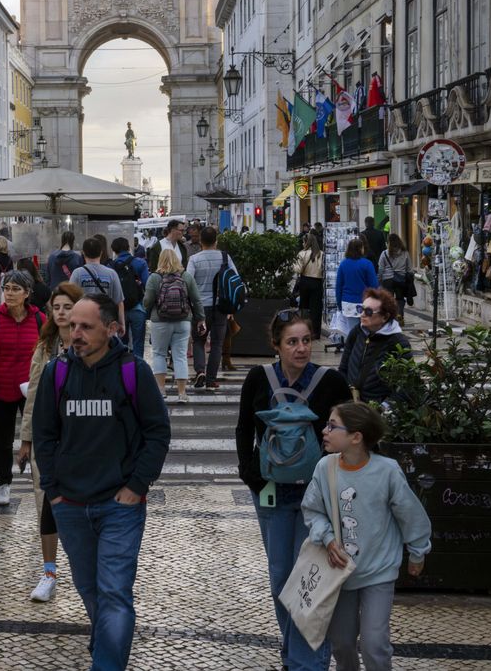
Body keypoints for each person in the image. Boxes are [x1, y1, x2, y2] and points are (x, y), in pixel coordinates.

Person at [33, 295, 171, 671]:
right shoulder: (56, 372)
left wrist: (137, 487)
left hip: (119, 505)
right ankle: (106, 640)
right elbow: (43, 434)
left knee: (113, 593)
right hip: (71, 506)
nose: (75, 334)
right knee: (90, 589)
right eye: (72, 325)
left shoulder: (133, 371)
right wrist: (54, 491)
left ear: (111, 329)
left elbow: (158, 432)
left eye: (85, 327)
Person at [235, 310, 352, 671]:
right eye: (292, 342)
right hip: (270, 493)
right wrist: (251, 476)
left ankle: (308, 663)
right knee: (280, 579)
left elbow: (351, 430)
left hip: (316, 496)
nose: (301, 348)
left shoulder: (331, 382)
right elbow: (243, 429)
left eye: (306, 340)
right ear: (276, 345)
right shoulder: (258, 378)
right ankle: (293, 653)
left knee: (310, 582)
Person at [304, 401, 432, 671]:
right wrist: (327, 539)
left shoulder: (387, 471)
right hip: (339, 574)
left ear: (356, 437)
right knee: (342, 643)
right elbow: (313, 511)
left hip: (379, 571)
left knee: (375, 644)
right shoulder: (324, 467)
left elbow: (410, 514)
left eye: (332, 426)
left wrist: (418, 551)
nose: (324, 431)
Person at [19, 282, 85, 603]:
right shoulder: (45, 345)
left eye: (67, 307)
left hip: (83, 438)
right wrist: (26, 438)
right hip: (48, 439)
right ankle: (49, 573)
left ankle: (87, 569)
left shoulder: (89, 341)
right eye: (56, 307)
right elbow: (32, 392)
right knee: (46, 504)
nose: (60, 313)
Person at [0, 270, 43, 507]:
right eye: (7, 288)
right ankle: (4, 483)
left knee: (36, 437)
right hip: (2, 391)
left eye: (16, 289)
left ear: (27, 293)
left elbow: (47, 355)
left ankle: (39, 478)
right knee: (3, 440)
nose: (10, 293)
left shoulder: (39, 320)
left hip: (31, 390)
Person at [143, 248, 204, 403]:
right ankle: (182, 393)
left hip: (160, 321)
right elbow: (196, 300)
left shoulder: (154, 278)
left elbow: (147, 301)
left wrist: (148, 311)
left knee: (159, 354)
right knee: (180, 356)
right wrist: (200, 319)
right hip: (183, 321)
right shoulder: (186, 276)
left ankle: (161, 391)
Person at [338, 288, 410, 403]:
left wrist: (384, 409)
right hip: (353, 405)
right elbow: (343, 368)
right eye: (361, 309)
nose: (362, 314)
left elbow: (405, 386)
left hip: (378, 411)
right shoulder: (357, 332)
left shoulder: (398, 343)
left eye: (368, 312)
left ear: (385, 317)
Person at [186, 226, 235, 392]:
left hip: (199, 308)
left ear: (200, 241)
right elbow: (235, 278)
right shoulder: (225, 257)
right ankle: (211, 379)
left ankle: (200, 371)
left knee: (198, 341)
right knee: (217, 343)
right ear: (216, 241)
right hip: (220, 306)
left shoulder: (194, 259)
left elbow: (188, 281)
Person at [69, 238, 126, 331]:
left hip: (83, 324)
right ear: (101, 252)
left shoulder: (77, 273)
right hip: (106, 323)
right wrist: (121, 324)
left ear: (83, 253)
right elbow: (119, 302)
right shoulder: (111, 274)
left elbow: (70, 300)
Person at [332, 238, 378, 340]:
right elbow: (374, 285)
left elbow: (338, 286)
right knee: (366, 331)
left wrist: (339, 303)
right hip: (365, 303)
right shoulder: (367, 264)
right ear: (360, 249)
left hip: (348, 303)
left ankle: (353, 352)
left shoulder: (343, 264)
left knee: (351, 332)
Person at [111, 237, 150, 356]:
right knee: (138, 342)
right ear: (129, 248)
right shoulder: (140, 263)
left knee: (121, 343)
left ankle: (123, 370)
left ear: (114, 251)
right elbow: (147, 285)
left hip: (119, 310)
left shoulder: (111, 266)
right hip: (137, 308)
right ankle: (137, 370)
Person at [293, 232, 325, 339]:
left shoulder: (302, 253)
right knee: (316, 309)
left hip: (305, 281)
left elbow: (298, 269)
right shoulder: (321, 254)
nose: (302, 244)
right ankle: (316, 332)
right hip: (317, 282)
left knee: (304, 308)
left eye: (303, 242)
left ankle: (305, 332)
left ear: (306, 242)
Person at [376, 234, 412, 326]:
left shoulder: (384, 253)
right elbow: (409, 269)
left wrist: (379, 281)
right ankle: (400, 314)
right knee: (400, 299)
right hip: (401, 279)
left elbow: (381, 269)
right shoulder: (405, 253)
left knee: (388, 300)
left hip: (387, 280)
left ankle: (390, 319)